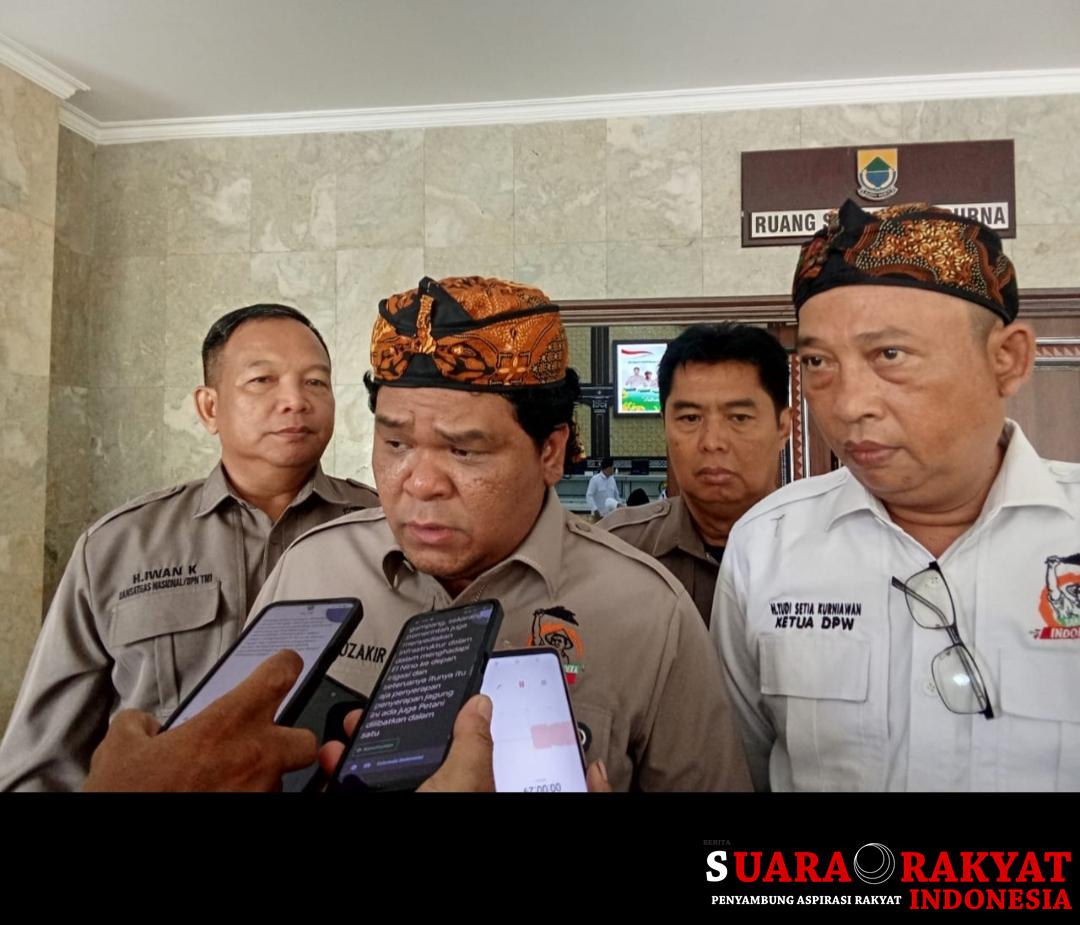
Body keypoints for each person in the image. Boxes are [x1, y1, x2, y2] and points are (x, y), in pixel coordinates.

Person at [248, 276, 751, 792]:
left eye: (464, 451)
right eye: (396, 444)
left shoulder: (646, 613)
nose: (420, 483)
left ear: (550, 452)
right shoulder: (311, 574)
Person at [712, 200, 1080, 792]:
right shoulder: (767, 546)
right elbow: (737, 768)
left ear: (1007, 360)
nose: (848, 403)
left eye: (890, 355)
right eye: (818, 362)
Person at [0, 304, 378, 792]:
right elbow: (37, 767)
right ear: (209, 408)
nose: (295, 400)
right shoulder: (118, 546)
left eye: (315, 382)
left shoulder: (388, 530)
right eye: (262, 380)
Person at [601, 324, 791, 625]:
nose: (712, 442)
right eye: (690, 418)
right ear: (665, 425)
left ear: (783, 427)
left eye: (739, 418)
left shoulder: (830, 553)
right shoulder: (615, 552)